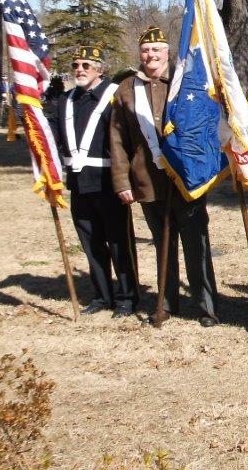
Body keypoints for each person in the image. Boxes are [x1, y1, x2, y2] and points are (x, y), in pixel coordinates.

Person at [109, 26, 220, 327]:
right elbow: (117, 139)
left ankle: (207, 306)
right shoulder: (126, 89)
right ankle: (166, 303)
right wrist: (122, 181)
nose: (151, 55)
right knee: (163, 245)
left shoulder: (185, 84)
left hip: (186, 179)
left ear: (167, 53)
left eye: (157, 50)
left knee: (196, 244)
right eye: (146, 50)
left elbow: (205, 127)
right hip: (147, 179)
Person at [47, 45, 137, 317]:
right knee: (91, 242)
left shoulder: (114, 96)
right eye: (76, 65)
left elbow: (127, 140)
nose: (79, 70)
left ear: (100, 69)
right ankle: (102, 295)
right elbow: (53, 135)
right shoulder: (66, 100)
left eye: (86, 65)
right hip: (78, 182)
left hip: (108, 182)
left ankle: (127, 298)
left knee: (119, 242)